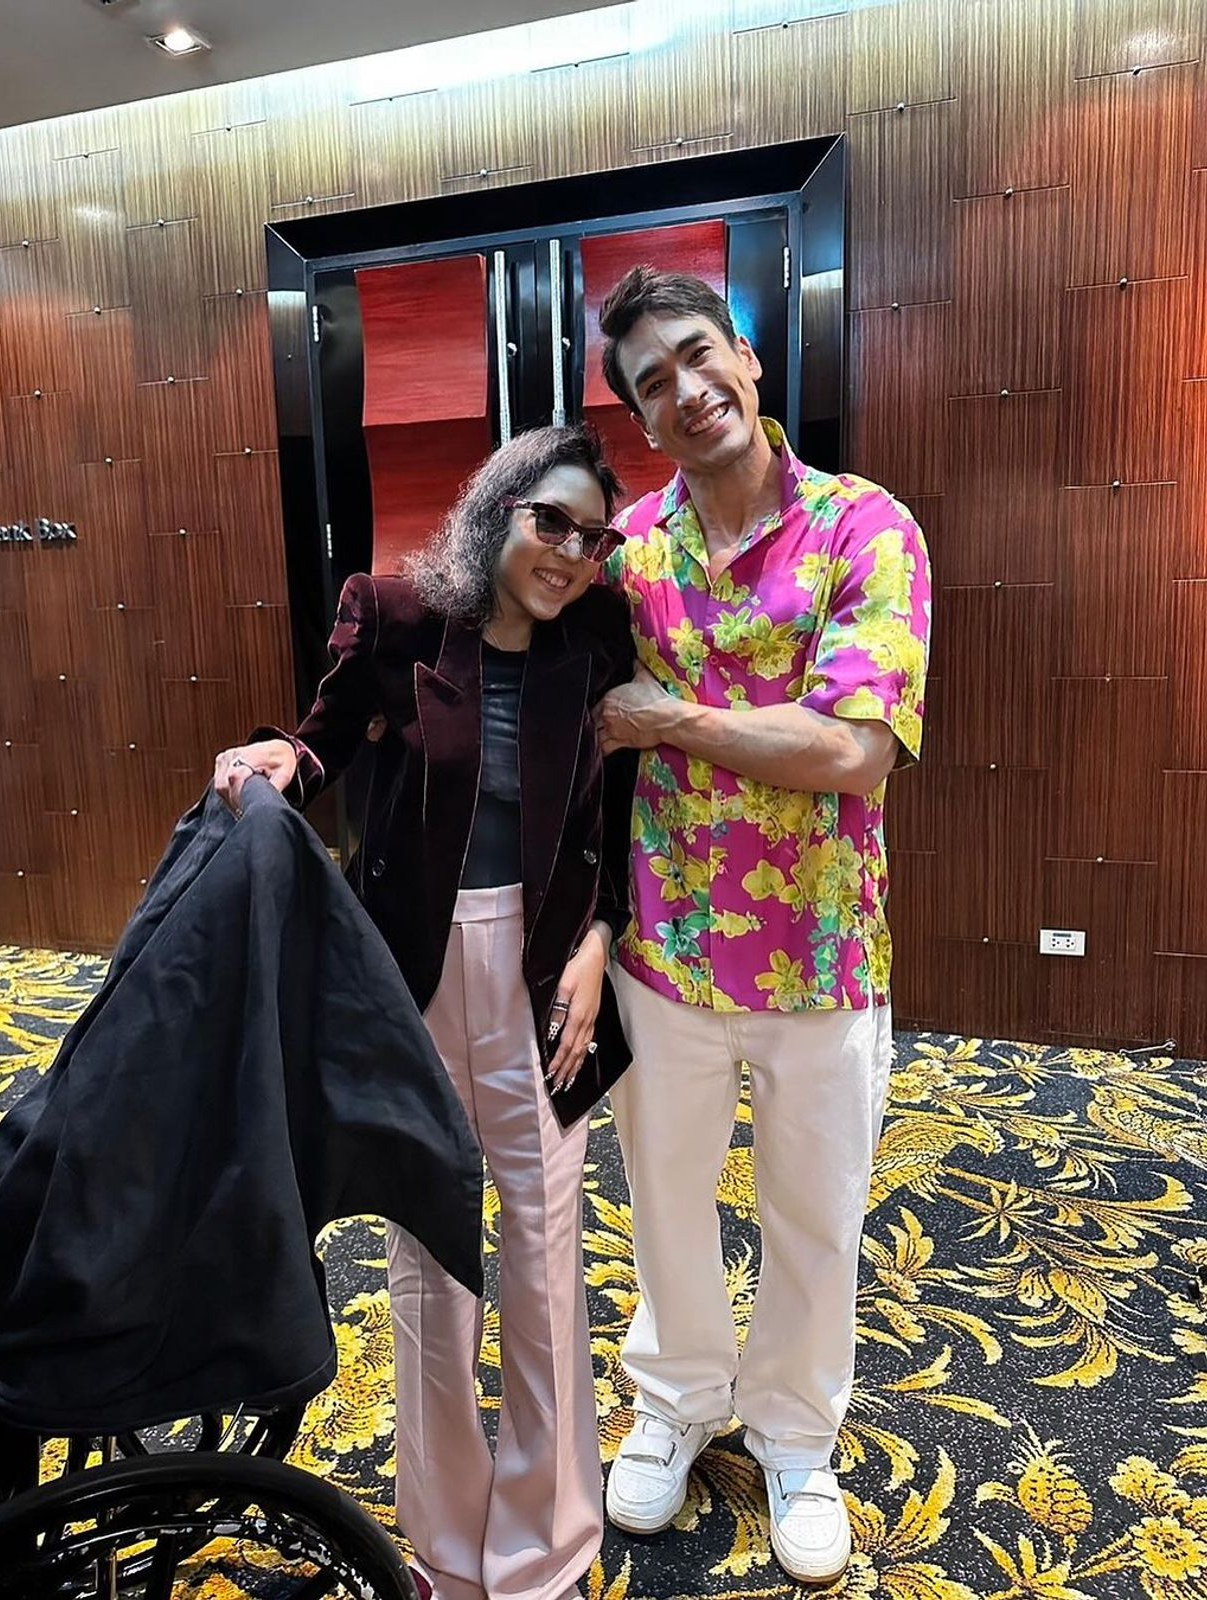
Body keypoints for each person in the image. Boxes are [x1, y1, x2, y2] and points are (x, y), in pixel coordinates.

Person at [214, 425, 637, 1600]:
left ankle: (546, 1548)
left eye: (593, 537)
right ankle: (447, 1547)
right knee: (431, 1258)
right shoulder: (396, 614)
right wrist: (280, 760)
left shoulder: (597, 638)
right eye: (548, 521)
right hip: (412, 973)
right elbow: (323, 737)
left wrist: (599, 939)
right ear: (496, 509)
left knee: (544, 1259)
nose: (569, 553)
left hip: (546, 973)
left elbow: (617, 816)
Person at [591, 268, 931, 1587]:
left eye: (697, 355)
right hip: (663, 947)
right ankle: (676, 1401)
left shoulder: (864, 527)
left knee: (815, 1212)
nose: (685, 391)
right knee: (664, 1200)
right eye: (652, 383)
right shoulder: (631, 552)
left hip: (824, 949)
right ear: (639, 419)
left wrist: (668, 718)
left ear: (747, 355)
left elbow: (853, 751)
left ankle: (795, 1438)